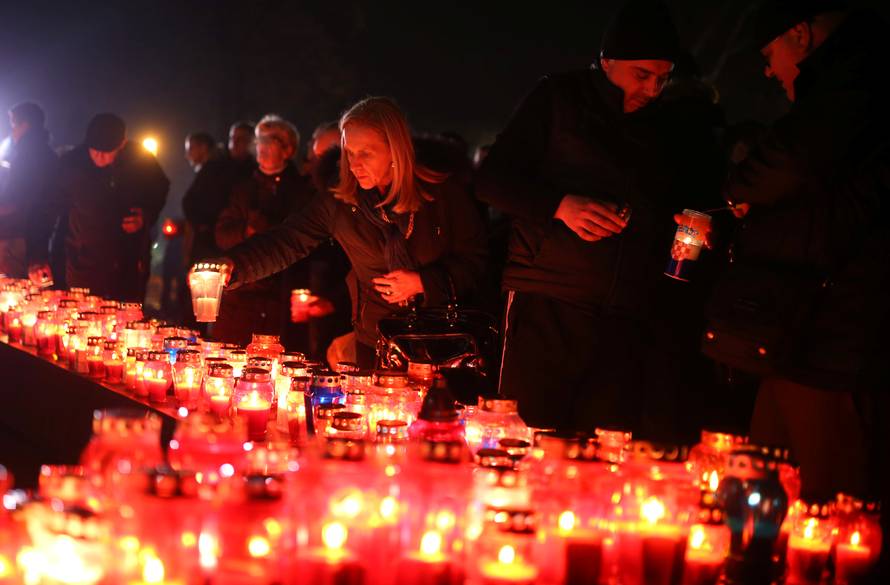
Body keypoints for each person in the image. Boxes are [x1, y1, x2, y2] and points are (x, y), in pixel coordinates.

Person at [476, 0, 724, 436]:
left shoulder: (666, 127)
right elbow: (493, 180)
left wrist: (693, 236)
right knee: (530, 436)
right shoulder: (558, 98)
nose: (651, 88)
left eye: (662, 79)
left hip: (625, 315)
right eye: (641, 75)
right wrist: (560, 206)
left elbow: (689, 207)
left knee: (603, 449)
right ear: (607, 61)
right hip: (547, 299)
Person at [718, 0, 890, 501]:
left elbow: (795, 159)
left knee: (826, 499)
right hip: (803, 332)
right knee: (763, 491)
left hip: (839, 338)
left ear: (798, 33)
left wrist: (740, 189)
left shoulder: (854, 80)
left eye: (769, 53)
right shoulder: (847, 80)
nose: (769, 70)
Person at [213, 97, 488, 368]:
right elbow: (287, 240)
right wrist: (234, 265)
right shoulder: (342, 203)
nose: (355, 165)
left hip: (442, 349)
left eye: (366, 153)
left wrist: (423, 282)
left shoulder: (444, 196)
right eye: (349, 153)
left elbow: (477, 264)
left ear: (395, 149)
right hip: (375, 343)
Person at [212, 115, 315, 345]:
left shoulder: (303, 192)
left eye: (271, 140)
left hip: (282, 300)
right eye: (259, 140)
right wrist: (246, 231)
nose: (262, 147)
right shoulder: (243, 188)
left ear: (288, 149)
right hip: (242, 298)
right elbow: (221, 234)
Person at [52, 113, 169, 301]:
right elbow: (50, 206)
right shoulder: (72, 164)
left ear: (122, 144)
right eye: (94, 150)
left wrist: (145, 215)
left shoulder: (141, 161)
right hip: (83, 260)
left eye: (106, 152)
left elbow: (160, 189)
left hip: (128, 258)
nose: (98, 157)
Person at [182, 123, 256, 264]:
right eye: (232, 138)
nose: (235, 142)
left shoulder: (255, 173)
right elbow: (190, 202)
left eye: (241, 139)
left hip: (239, 246)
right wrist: (202, 224)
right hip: (209, 242)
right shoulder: (216, 168)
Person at [0, 102, 58, 281]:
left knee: (14, 290)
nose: (13, 131)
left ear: (25, 125)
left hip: (17, 237)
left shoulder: (28, 156)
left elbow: (17, 200)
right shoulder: (46, 154)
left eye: (14, 125)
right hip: (36, 236)